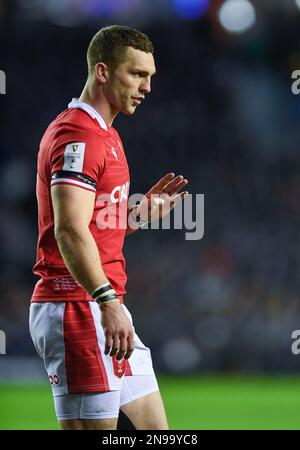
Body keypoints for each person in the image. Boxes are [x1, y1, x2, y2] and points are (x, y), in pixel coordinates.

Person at [29, 25, 188, 430]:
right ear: (102, 72)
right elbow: (68, 231)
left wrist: (136, 216)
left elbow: (92, 224)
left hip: (100, 302)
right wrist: (106, 301)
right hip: (76, 305)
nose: (147, 87)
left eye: (150, 76)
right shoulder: (78, 136)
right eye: (137, 74)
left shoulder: (107, 135)